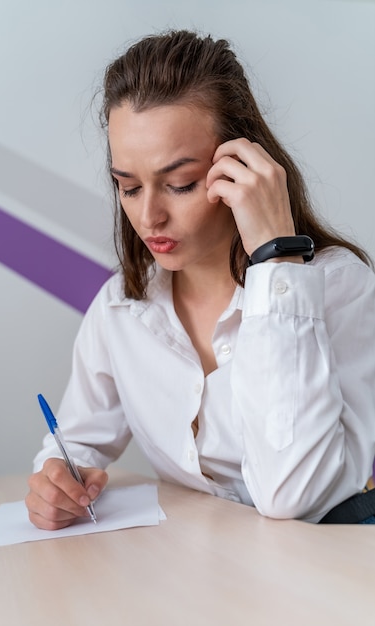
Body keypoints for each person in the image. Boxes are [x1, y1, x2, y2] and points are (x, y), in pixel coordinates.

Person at [26, 30, 375, 529]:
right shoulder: (121, 308)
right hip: (200, 577)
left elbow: (294, 497)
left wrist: (277, 257)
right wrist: (55, 480)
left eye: (180, 184)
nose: (148, 217)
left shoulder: (336, 287)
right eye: (127, 186)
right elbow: (77, 441)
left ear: (244, 165)